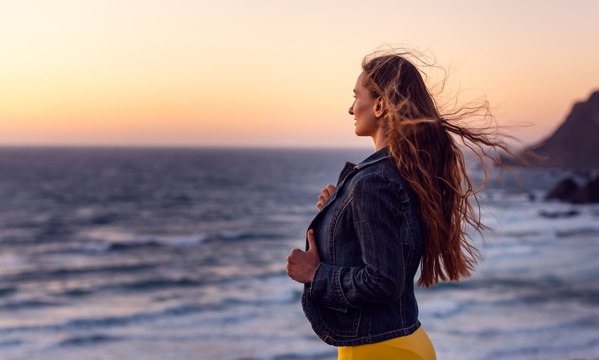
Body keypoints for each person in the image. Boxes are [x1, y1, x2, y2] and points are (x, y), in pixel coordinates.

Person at [286, 50, 517, 360]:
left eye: (357, 96)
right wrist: (340, 211)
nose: (351, 108)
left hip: (379, 350)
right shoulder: (402, 174)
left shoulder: (373, 181)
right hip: (401, 342)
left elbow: (384, 281)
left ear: (380, 105)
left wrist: (316, 275)